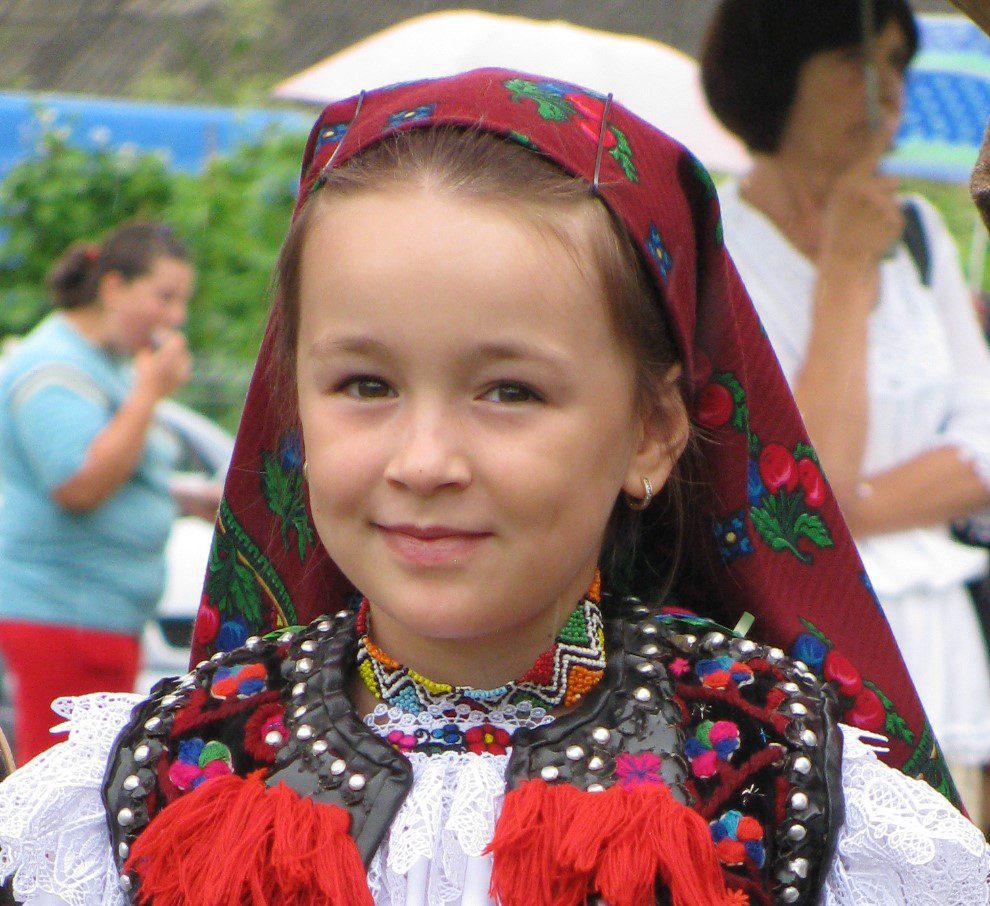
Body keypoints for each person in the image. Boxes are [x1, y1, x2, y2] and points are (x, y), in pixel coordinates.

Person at [0, 70, 988, 906]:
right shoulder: (148, 783)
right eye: (365, 386)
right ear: (291, 406)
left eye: (510, 391)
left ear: (651, 433)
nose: (424, 459)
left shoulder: (786, 789)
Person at [702, 0, 990, 821]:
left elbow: (983, 435)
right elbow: (795, 492)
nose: (888, 86)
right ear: (780, 68)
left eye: (901, 62)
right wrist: (843, 280)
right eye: (862, 60)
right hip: (794, 641)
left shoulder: (923, 234)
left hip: (934, 635)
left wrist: (851, 507)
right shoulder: (714, 241)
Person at [0, 221, 196, 766]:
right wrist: (149, 393)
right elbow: (79, 484)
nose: (176, 317)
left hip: (98, 615)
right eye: (164, 296)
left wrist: (182, 500)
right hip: (61, 613)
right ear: (113, 288)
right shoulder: (53, 369)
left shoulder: (103, 364)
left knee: (87, 773)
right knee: (55, 778)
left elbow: (124, 471)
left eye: (181, 301)